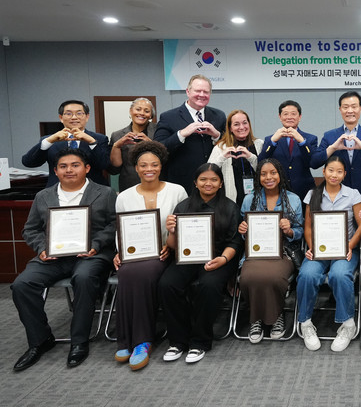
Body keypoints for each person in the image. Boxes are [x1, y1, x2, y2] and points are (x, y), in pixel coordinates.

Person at [12, 148, 116, 371]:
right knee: (22, 284)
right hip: (53, 256)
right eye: (63, 166)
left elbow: (114, 224)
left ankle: (79, 341)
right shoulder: (43, 196)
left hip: (92, 255)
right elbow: (30, 229)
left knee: (84, 278)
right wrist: (42, 248)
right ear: (55, 171)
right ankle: (40, 340)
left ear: (87, 168)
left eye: (75, 165)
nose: (69, 170)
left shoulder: (106, 193)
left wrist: (95, 245)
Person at [112, 141, 187, 371]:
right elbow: (120, 229)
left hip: (167, 253)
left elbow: (186, 226)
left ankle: (142, 341)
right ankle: (126, 338)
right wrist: (119, 252)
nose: (149, 169)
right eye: (143, 165)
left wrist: (171, 245)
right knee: (125, 272)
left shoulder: (177, 191)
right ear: (136, 168)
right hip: (135, 254)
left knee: (143, 273)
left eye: (154, 164)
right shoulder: (124, 197)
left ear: (161, 166)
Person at [158, 163, 242, 364]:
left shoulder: (230, 207)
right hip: (187, 257)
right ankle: (177, 341)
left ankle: (200, 341)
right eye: (203, 179)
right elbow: (173, 246)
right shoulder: (183, 206)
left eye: (214, 179)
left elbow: (235, 242)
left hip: (220, 258)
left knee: (208, 285)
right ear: (195, 182)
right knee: (167, 284)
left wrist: (223, 259)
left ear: (221, 183)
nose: (208, 183)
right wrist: (171, 231)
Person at [298, 155, 361, 352]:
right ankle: (305, 323)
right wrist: (312, 248)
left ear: (344, 174)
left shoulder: (353, 194)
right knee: (307, 274)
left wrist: (350, 246)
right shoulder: (313, 194)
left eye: (339, 171)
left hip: (345, 249)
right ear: (324, 171)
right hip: (320, 250)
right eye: (331, 170)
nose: (334, 175)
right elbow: (308, 227)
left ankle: (348, 324)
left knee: (339, 274)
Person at [237, 158, 303, 343]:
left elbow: (300, 231)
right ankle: (256, 319)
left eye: (273, 173)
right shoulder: (249, 199)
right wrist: (243, 230)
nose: (268, 177)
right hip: (255, 253)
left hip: (283, 252)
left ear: (280, 175)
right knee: (248, 277)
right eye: (263, 174)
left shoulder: (293, 199)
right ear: (258, 177)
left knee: (273, 277)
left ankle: (276, 316)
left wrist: (289, 231)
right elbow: (244, 234)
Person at [311, 91, 361, 209]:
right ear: (340, 110)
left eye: (354, 106)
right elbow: (314, 163)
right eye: (345, 107)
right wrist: (333, 148)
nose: (350, 111)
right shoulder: (330, 136)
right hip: (337, 195)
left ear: (360, 109)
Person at [154, 74, 226, 193]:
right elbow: (157, 149)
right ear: (188, 91)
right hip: (182, 183)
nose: (202, 95)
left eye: (206, 92)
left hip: (214, 183)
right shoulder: (168, 117)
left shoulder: (219, 115)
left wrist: (217, 135)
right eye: (198, 91)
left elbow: (229, 145)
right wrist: (181, 134)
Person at [22, 99, 110, 187]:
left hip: (93, 190)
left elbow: (104, 165)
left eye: (79, 113)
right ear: (61, 118)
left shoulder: (99, 139)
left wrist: (92, 142)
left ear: (87, 117)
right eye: (68, 114)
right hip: (56, 190)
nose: (74, 117)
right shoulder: (49, 140)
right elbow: (28, 162)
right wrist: (48, 141)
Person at [262, 100, 319, 200]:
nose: (289, 117)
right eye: (285, 114)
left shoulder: (310, 139)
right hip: (278, 191)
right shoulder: (270, 139)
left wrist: (302, 142)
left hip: (304, 191)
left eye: (293, 114)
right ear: (280, 117)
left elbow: (313, 163)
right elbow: (261, 162)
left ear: (299, 117)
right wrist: (273, 142)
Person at [207, 109, 263, 205]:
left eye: (245, 123)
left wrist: (251, 157)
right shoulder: (221, 147)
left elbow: (264, 171)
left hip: (258, 198)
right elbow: (208, 172)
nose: (242, 127)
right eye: (236, 124)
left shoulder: (259, 144)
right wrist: (222, 157)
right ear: (230, 128)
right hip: (232, 200)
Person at [108, 97, 157, 192]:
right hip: (129, 186)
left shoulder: (160, 130)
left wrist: (151, 144)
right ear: (131, 111)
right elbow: (114, 170)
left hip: (157, 183)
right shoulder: (117, 135)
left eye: (146, 111)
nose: (142, 113)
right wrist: (116, 146)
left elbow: (167, 158)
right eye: (138, 109)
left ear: (151, 115)